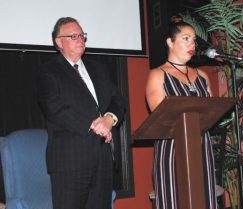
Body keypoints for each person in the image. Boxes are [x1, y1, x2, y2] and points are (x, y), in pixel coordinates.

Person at [37, 17, 125, 209]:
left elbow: (117, 101)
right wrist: (96, 126)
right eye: (73, 36)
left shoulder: (99, 69)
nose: (80, 40)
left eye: (82, 35)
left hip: (102, 159)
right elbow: (56, 109)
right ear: (59, 42)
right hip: (70, 161)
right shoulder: (48, 72)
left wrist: (109, 119)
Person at [146, 18, 218, 209]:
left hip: (201, 146)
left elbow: (211, 113)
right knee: (174, 199)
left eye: (194, 40)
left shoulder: (202, 76)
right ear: (170, 42)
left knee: (204, 198)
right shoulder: (158, 74)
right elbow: (160, 114)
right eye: (185, 38)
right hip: (171, 148)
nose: (192, 44)